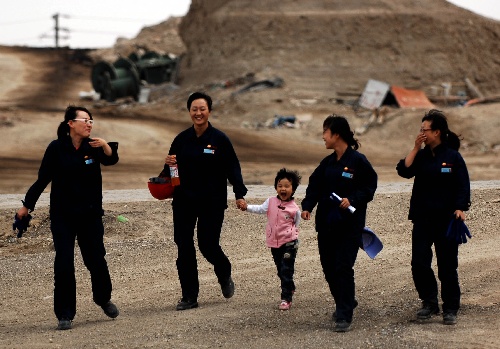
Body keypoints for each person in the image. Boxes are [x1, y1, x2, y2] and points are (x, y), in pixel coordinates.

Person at [15, 105, 120, 331]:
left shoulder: (94, 146)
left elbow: (111, 160)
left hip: (90, 215)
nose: (89, 123)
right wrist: (27, 206)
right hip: (63, 216)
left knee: (96, 260)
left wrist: (105, 146)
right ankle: (65, 313)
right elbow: (43, 179)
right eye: (85, 120)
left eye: (91, 120)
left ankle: (103, 299)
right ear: (70, 123)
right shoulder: (56, 148)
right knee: (63, 263)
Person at [163, 91, 247, 311]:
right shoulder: (181, 140)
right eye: (194, 109)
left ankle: (224, 272)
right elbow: (171, 175)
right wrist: (170, 164)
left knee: (208, 245)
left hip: (212, 201)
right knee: (184, 246)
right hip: (184, 201)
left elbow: (233, 168)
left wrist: (239, 193)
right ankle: (189, 296)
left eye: (202, 109)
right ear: (189, 111)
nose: (198, 113)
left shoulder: (220, 139)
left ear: (209, 111)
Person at [301, 115, 377, 332]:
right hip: (326, 225)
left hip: (349, 226)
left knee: (343, 267)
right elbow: (314, 186)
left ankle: (344, 314)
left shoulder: (358, 161)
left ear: (337, 134)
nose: (323, 137)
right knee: (328, 269)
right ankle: (346, 299)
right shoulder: (326, 163)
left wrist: (352, 199)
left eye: (325, 132)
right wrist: (307, 206)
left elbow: (370, 187)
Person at [396, 109, 470, 325]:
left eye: (424, 130)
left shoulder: (453, 157)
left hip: (447, 220)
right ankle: (429, 302)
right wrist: (415, 147)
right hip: (422, 218)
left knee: (447, 265)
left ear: (436, 132)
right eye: (420, 130)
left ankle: (450, 307)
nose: (422, 133)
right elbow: (404, 171)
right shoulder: (420, 156)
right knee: (419, 262)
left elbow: (463, 185)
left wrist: (460, 207)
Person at [239, 168, 301, 311]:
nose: (283, 189)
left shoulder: (294, 208)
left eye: (287, 186)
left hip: (289, 243)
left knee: (286, 270)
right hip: (274, 243)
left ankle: (286, 298)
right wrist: (246, 207)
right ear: (275, 188)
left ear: (293, 189)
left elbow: (296, 223)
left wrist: (291, 237)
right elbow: (260, 209)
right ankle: (290, 286)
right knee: (280, 270)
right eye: (280, 186)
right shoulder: (271, 201)